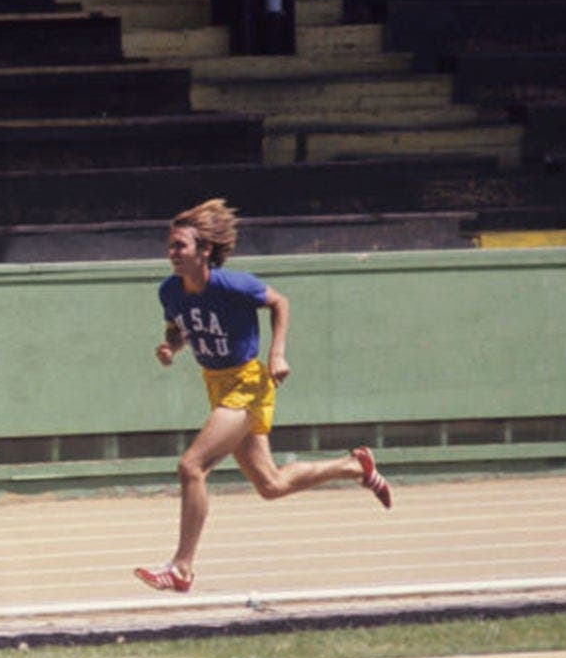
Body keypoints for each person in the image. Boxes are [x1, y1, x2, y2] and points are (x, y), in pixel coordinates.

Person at [135, 198, 391, 593]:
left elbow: (279, 302)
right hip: (216, 383)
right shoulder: (169, 291)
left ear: (204, 250)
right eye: (170, 245)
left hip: (247, 384)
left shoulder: (232, 284)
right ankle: (354, 466)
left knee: (192, 467)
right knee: (270, 485)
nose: (171, 253)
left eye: (179, 245)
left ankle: (181, 567)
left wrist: (277, 353)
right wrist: (172, 346)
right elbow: (180, 328)